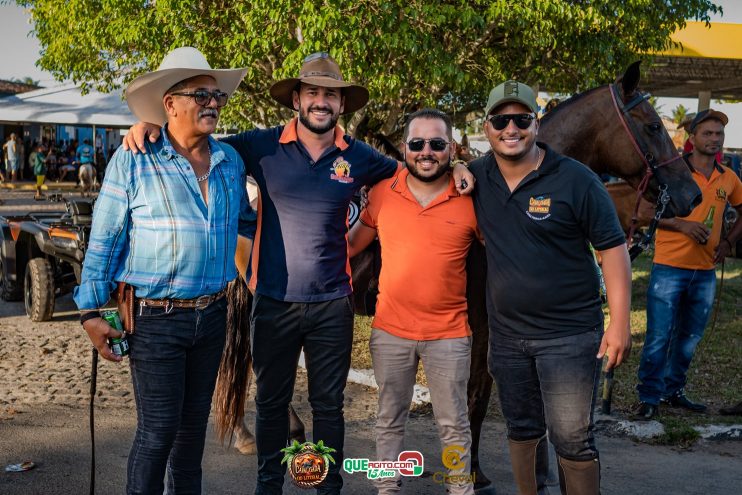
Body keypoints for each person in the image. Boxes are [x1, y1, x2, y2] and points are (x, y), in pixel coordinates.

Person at [124, 52, 474, 495]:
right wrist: (151, 128)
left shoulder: (360, 156)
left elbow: (418, 172)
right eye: (313, 92)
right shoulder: (260, 145)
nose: (321, 101)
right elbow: (195, 137)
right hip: (273, 301)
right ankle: (269, 487)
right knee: (271, 404)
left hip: (332, 304)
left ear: (342, 104)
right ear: (296, 99)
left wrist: (460, 167)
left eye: (331, 94)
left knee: (329, 407)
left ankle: (328, 489)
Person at [74, 46, 256, 494]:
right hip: (156, 319)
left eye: (217, 96)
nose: (213, 103)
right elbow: (105, 238)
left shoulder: (231, 163)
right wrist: (90, 313)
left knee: (191, 443)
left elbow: (246, 225)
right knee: (157, 435)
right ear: (169, 104)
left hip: (213, 316)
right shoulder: (135, 157)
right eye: (201, 94)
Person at [468, 81, 631, 494]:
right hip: (506, 338)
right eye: (501, 120)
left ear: (535, 124)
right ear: (487, 127)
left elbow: (612, 250)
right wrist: (453, 164)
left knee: (572, 438)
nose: (511, 128)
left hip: (570, 336)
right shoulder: (476, 176)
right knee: (522, 429)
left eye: (521, 119)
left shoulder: (576, 179)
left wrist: (620, 324)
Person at [348, 109, 479, 495]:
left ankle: (460, 489)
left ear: (451, 149)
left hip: (450, 335)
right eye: (418, 144)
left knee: (454, 423)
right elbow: (351, 245)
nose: (427, 152)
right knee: (389, 418)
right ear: (404, 148)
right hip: (391, 332)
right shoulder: (383, 191)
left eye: (437, 145)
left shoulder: (472, 197)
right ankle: (387, 488)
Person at [635, 109, 742, 420]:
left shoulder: (729, 178)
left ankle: (674, 391)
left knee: (689, 337)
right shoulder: (671, 173)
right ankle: (649, 397)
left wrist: (728, 242)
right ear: (692, 138)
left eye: (718, 134)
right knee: (658, 335)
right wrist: (681, 226)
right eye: (707, 133)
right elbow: (643, 212)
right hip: (669, 268)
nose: (714, 139)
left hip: (706, 272)